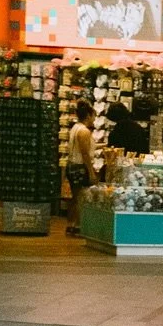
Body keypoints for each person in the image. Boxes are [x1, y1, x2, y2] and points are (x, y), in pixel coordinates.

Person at [65, 99, 96, 236]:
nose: (94, 119)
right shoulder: (84, 132)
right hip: (79, 167)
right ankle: (78, 226)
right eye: (94, 115)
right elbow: (85, 153)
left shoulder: (75, 128)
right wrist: (91, 172)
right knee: (81, 197)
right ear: (88, 116)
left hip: (71, 165)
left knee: (74, 197)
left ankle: (70, 224)